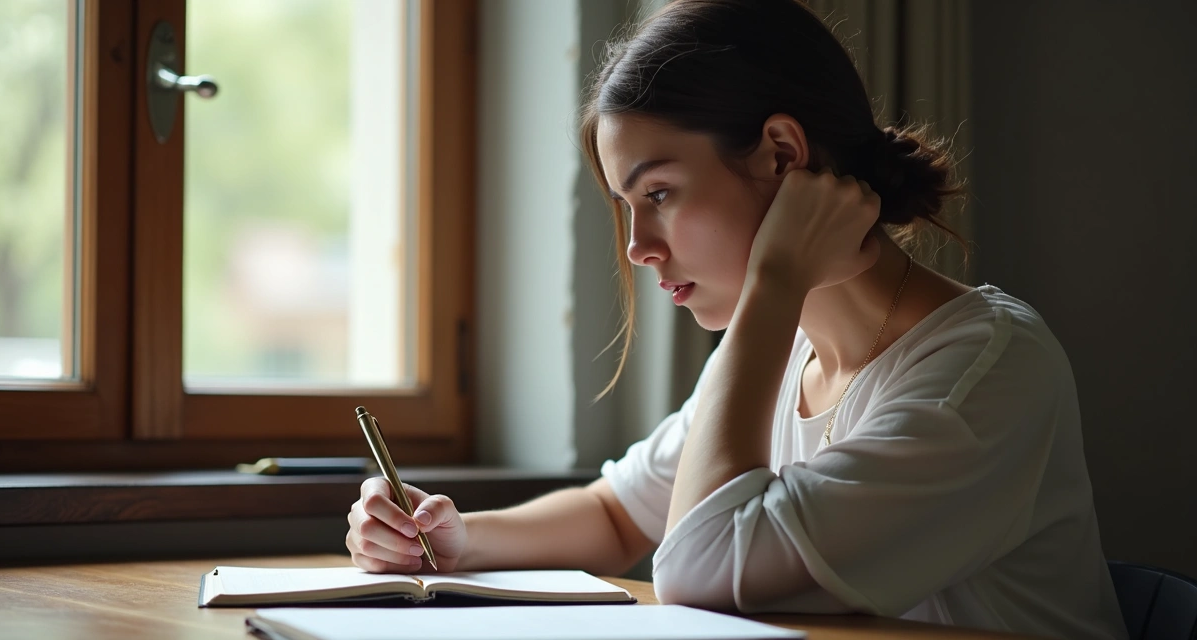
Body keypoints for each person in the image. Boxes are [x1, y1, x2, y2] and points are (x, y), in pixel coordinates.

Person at [346, 1, 1128, 637]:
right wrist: (455, 540)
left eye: (658, 194)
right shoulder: (783, 348)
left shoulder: (985, 374)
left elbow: (695, 569)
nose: (637, 247)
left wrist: (779, 278)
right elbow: (619, 513)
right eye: (625, 207)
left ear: (783, 156)